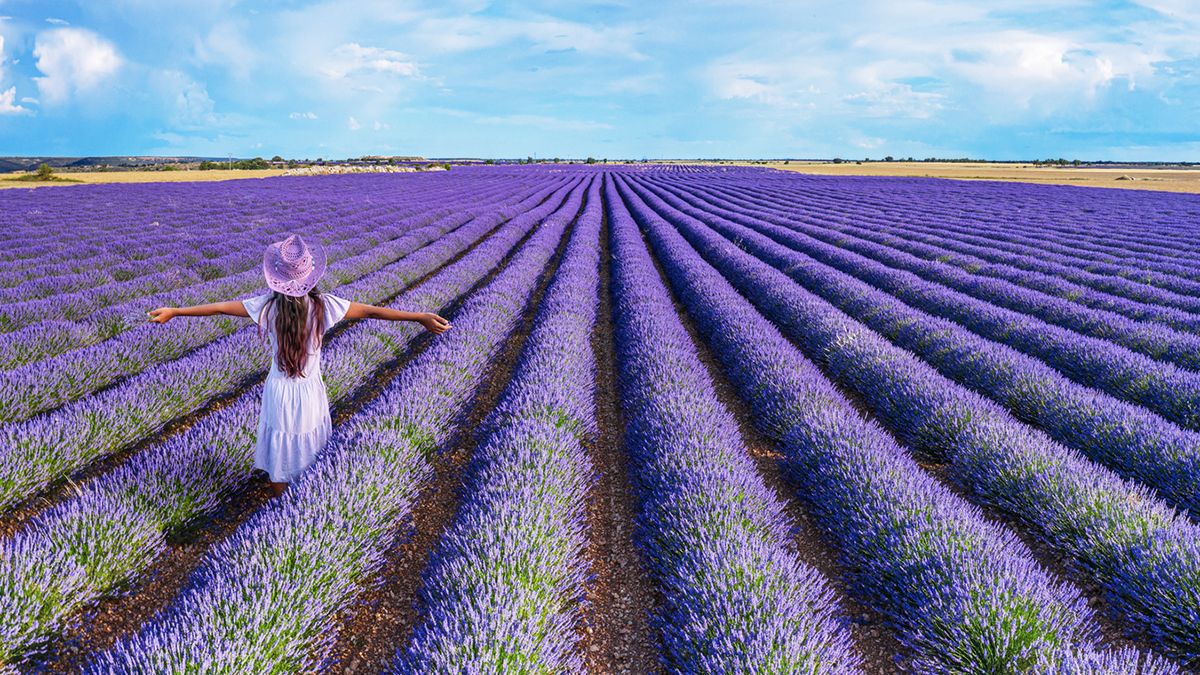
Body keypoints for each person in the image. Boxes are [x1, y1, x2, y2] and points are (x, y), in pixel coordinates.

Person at [147, 234, 451, 497]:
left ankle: (281, 503)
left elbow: (218, 309)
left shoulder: (267, 306)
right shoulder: (325, 305)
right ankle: (306, 499)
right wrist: (419, 317)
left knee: (280, 448)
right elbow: (372, 312)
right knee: (309, 444)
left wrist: (175, 311)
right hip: (309, 390)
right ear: (310, 276)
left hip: (279, 390)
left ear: (277, 278)